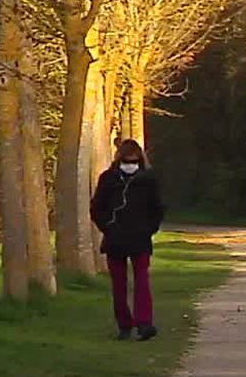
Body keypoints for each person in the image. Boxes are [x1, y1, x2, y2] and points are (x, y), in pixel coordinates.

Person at [90, 139, 165, 341]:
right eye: (127, 160)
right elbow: (97, 207)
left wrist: (149, 229)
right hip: (115, 239)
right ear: (119, 159)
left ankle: (144, 323)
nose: (130, 164)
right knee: (119, 285)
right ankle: (124, 325)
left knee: (142, 281)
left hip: (140, 238)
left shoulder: (149, 180)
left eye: (134, 161)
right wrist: (108, 227)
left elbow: (158, 208)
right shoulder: (108, 179)